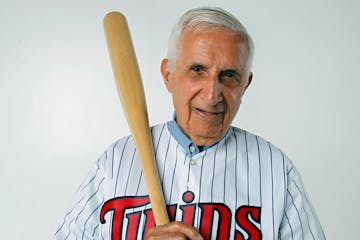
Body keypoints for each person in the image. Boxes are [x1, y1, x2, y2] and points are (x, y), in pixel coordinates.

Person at [54, 7, 326, 240]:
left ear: (246, 85)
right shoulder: (116, 161)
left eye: (229, 75)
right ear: (168, 75)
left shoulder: (275, 168)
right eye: (198, 70)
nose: (212, 95)